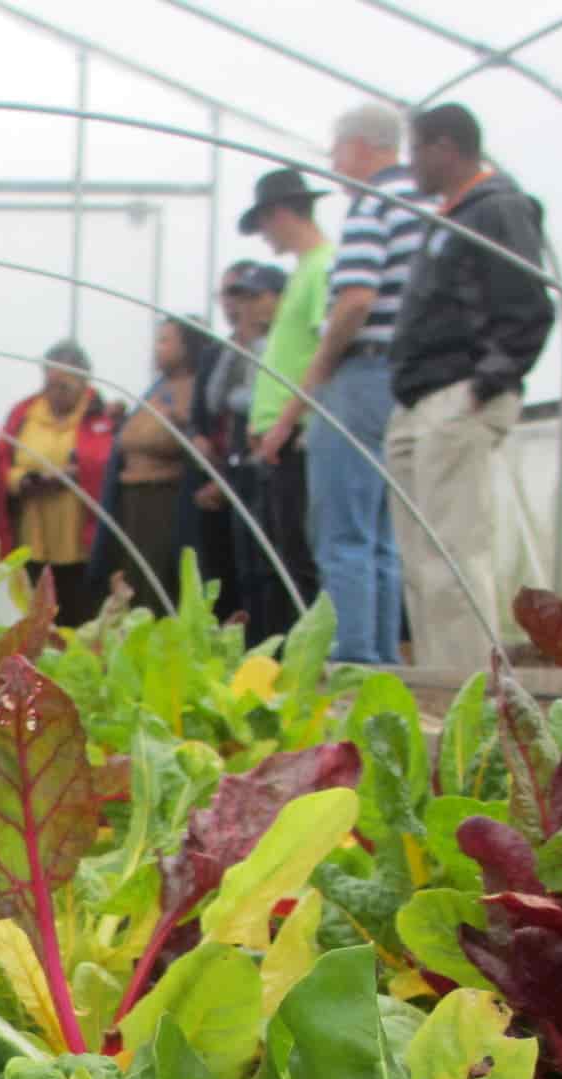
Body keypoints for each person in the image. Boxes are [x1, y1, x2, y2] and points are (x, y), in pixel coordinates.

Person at [389, 102, 555, 674]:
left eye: (415, 150)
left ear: (444, 147)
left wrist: (487, 382)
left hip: (456, 396)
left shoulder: (497, 209)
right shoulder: (454, 216)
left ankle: (472, 685)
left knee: (453, 549)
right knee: (420, 554)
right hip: (420, 400)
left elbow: (529, 304)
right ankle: (440, 681)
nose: (410, 164)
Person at [262, 106, 427, 665]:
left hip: (361, 374)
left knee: (343, 530)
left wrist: (323, 371)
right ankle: (379, 657)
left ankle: (352, 657)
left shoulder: (373, 205)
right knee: (377, 531)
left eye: (335, 152)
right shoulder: (421, 201)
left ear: (359, 147)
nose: (334, 166)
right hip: (400, 378)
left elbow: (356, 298)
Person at [241, 168, 330, 635]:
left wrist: (287, 422)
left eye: (264, 225)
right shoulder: (303, 272)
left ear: (279, 214)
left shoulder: (322, 266)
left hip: (293, 434)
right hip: (279, 436)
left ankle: (308, 654)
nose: (264, 236)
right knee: (282, 555)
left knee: (299, 555)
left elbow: (324, 351)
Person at [0, 341, 113, 627]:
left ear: (83, 381)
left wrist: (76, 472)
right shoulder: (25, 412)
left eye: (63, 386)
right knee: (30, 611)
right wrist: (28, 480)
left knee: (74, 614)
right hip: (32, 531)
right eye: (49, 383)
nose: (54, 392)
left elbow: (104, 462)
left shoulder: (99, 415)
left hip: (76, 537)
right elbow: (1, 463)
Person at [196, 261, 285, 634]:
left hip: (270, 460)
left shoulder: (280, 343)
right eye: (238, 298)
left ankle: (277, 643)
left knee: (272, 562)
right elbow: (215, 398)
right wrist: (239, 344)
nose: (244, 307)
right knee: (244, 564)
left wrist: (256, 344)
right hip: (238, 462)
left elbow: (255, 399)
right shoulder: (234, 346)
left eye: (253, 297)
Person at [91, 317, 202, 609]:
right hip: (132, 496)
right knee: (131, 573)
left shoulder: (194, 388)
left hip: (163, 497)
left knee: (156, 573)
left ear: (188, 346)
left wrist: (177, 420)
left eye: (166, 341)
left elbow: (191, 438)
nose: (157, 349)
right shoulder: (156, 388)